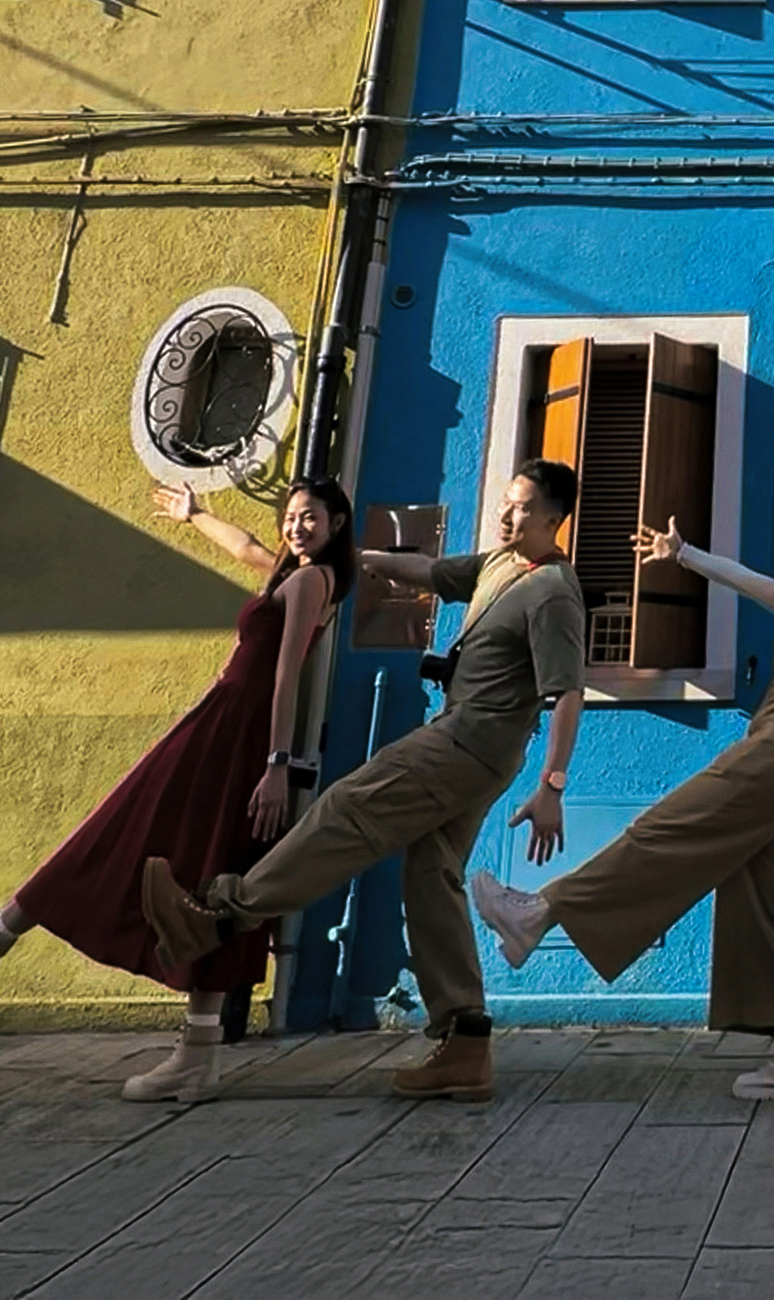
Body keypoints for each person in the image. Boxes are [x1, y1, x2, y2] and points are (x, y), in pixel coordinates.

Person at [139, 460, 589, 1103]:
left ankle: (217, 913)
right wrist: (351, 553)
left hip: (470, 745)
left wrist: (554, 785)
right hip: (466, 740)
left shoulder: (552, 592)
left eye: (520, 507)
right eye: (506, 502)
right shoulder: (499, 566)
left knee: (350, 805)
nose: (505, 513)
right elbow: (428, 573)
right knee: (431, 874)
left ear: (553, 519)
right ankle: (465, 1040)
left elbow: (567, 691)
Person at [0, 477, 351, 1104]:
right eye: (291, 516)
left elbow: (285, 676)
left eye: (310, 517)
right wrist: (196, 514)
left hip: (235, 734)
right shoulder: (298, 573)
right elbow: (249, 547)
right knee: (208, 877)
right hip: (231, 730)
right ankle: (195, 1055)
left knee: (125, 834)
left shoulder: (310, 581)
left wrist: (277, 763)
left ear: (336, 523)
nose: (295, 526)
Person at [469, 501, 774, 1104]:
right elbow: (749, 583)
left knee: (665, 829)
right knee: (755, 896)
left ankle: (539, 912)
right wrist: (686, 556)